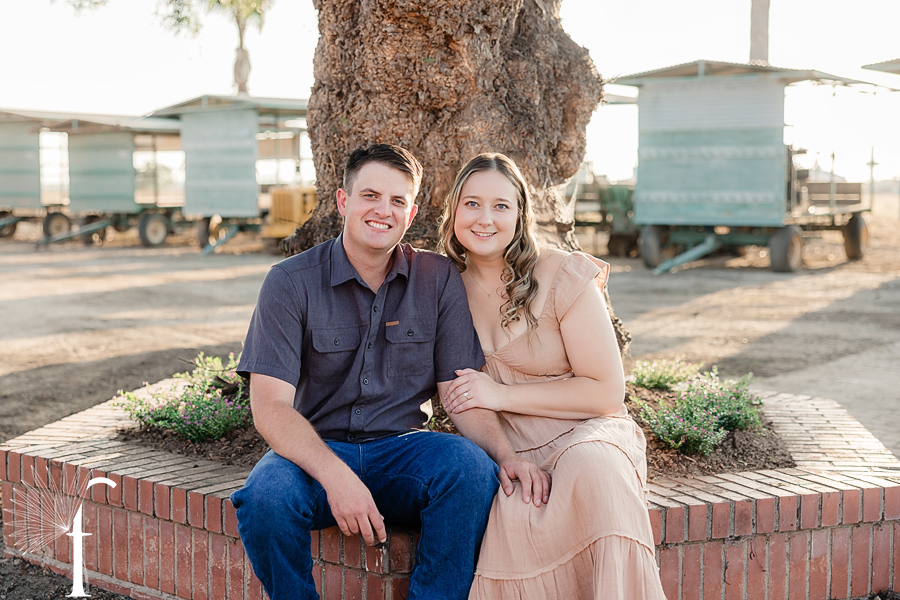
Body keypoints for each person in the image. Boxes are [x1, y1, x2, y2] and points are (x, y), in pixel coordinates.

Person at [230, 144, 549, 600]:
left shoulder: (437, 278)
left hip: (404, 454)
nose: (384, 211)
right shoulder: (290, 281)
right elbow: (270, 409)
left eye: (397, 201)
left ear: (411, 211)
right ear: (343, 201)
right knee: (264, 499)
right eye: (370, 196)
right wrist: (336, 476)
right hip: (314, 453)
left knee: (471, 472)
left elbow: (459, 392)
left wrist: (506, 455)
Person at [438, 153, 667, 600]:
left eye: (501, 206)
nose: (486, 218)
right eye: (472, 204)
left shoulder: (561, 273)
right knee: (516, 512)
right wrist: (506, 455)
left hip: (588, 430)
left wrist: (500, 394)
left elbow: (605, 392)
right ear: (453, 212)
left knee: (591, 470)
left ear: (520, 213)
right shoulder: (443, 289)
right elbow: (457, 397)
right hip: (513, 445)